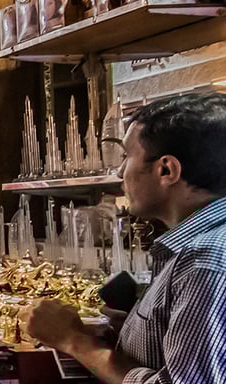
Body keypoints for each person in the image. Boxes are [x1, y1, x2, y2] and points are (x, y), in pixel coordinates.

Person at [19, 93, 226, 383]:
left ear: (167, 169)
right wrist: (134, 332)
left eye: (127, 156)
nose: (119, 172)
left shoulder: (205, 260)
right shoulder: (192, 248)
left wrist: (73, 340)